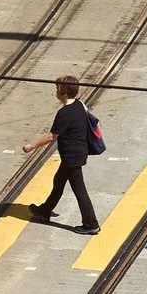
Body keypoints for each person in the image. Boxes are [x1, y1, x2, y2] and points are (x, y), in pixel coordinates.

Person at [21, 73, 100, 233]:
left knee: (79, 190)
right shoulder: (79, 105)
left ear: (63, 93)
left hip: (72, 156)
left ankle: (91, 224)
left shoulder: (65, 113)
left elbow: (51, 136)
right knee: (58, 181)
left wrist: (31, 146)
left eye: (57, 89)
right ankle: (44, 211)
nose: (55, 92)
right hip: (75, 153)